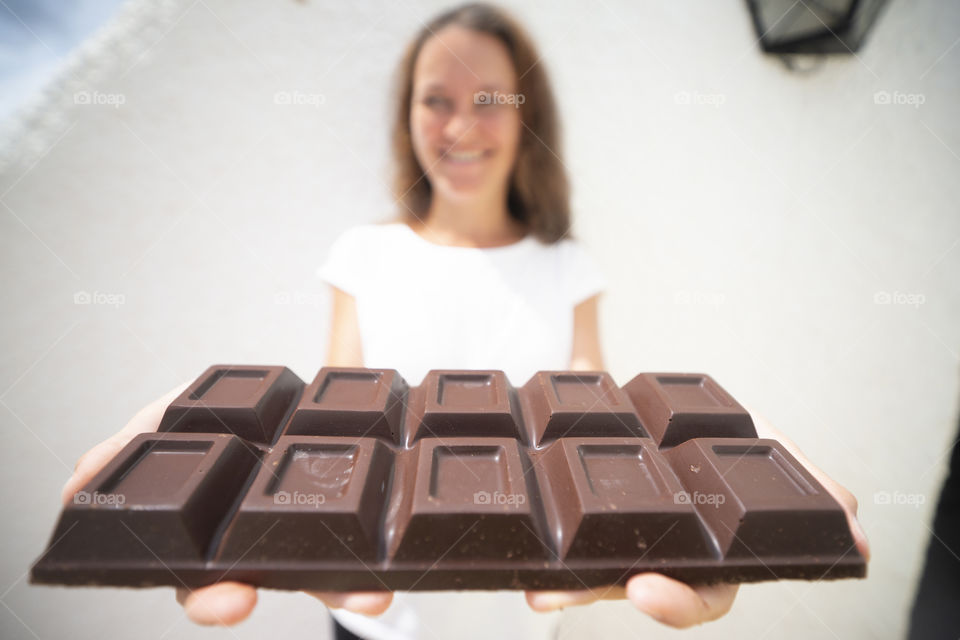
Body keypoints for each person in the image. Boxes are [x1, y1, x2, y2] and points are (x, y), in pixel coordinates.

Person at [61, 3, 870, 638]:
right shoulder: (362, 253)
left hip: (523, 614)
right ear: (407, 116)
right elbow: (337, 419)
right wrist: (222, 459)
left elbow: (591, 423)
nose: (459, 127)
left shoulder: (567, 267)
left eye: (488, 101)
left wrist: (704, 463)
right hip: (372, 618)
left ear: (526, 116)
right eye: (436, 100)